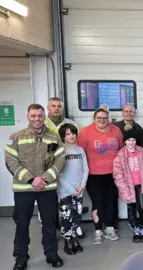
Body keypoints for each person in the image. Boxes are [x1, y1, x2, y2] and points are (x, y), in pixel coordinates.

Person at [5, 103, 67, 269]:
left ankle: (52, 254)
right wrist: (31, 179)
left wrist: (45, 178)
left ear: (44, 116)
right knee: (22, 224)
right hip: (23, 189)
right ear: (28, 116)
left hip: (47, 188)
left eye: (40, 115)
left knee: (49, 222)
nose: (37, 119)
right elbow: (10, 161)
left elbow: (61, 159)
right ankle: (20, 258)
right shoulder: (16, 136)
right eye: (33, 116)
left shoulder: (54, 136)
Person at [77, 105, 123, 245]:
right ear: (94, 119)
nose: (102, 120)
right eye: (99, 118)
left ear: (108, 119)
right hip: (94, 175)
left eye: (104, 118)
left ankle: (109, 228)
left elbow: (121, 148)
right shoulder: (85, 133)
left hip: (113, 174)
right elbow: (80, 153)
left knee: (110, 201)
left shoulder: (116, 131)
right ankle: (98, 230)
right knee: (98, 202)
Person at [44, 97, 83, 238]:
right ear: (48, 108)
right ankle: (51, 228)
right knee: (49, 199)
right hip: (47, 163)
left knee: (67, 197)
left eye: (59, 106)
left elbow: (76, 140)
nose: (56, 108)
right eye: (53, 106)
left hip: (67, 161)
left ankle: (73, 227)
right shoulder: (42, 123)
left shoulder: (70, 123)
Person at [113, 130, 143, 243]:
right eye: (128, 140)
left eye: (133, 140)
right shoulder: (120, 156)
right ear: (125, 142)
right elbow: (118, 175)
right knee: (131, 210)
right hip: (129, 188)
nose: (131, 143)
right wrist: (125, 192)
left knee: (142, 209)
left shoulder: (141, 152)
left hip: (141, 186)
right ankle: (136, 231)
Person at [57, 124, 89, 256]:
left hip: (79, 189)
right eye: (68, 133)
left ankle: (75, 238)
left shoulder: (80, 150)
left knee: (76, 215)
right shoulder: (60, 151)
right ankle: (67, 241)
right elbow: (58, 174)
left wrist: (82, 185)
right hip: (65, 191)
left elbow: (86, 168)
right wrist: (71, 189)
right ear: (63, 136)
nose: (71, 136)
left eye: (73, 133)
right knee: (66, 217)